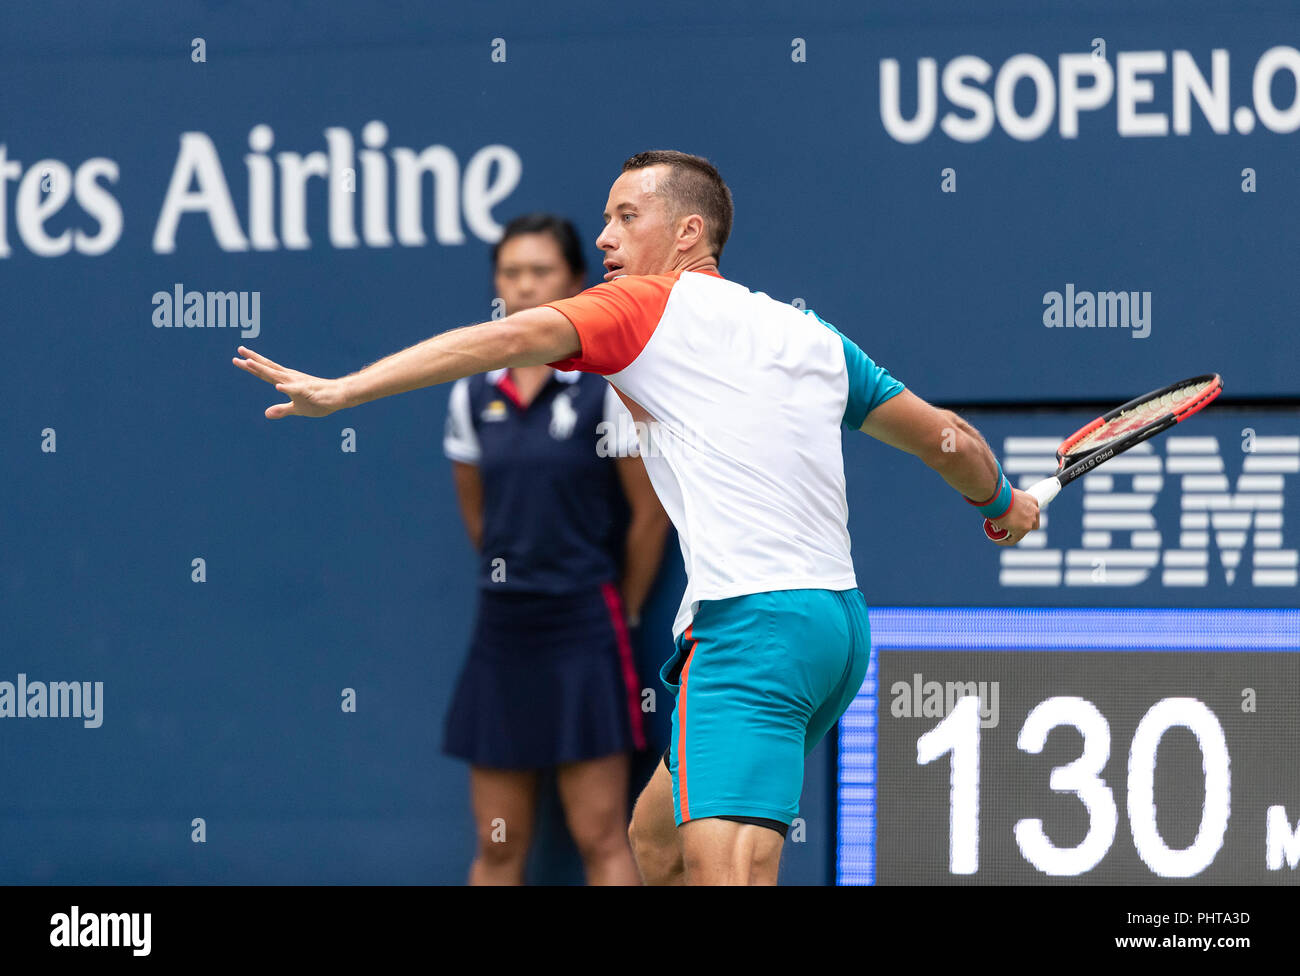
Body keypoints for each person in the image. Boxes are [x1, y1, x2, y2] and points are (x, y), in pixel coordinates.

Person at [233, 149, 1041, 886]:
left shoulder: (641, 309)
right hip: (834, 632)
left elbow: (508, 336)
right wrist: (1005, 504)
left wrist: (345, 390)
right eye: (607, 217)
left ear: (690, 232)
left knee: (734, 875)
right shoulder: (812, 335)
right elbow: (950, 441)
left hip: (750, 631)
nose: (606, 235)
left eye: (628, 216)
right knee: (654, 845)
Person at [441, 213, 669, 885]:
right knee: (497, 844)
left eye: (541, 271)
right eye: (511, 273)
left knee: (602, 836)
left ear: (573, 280)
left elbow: (650, 515)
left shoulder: (609, 389)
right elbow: (479, 513)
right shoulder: (472, 391)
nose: (525, 286)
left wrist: (613, 612)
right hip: (502, 628)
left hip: (586, 629)